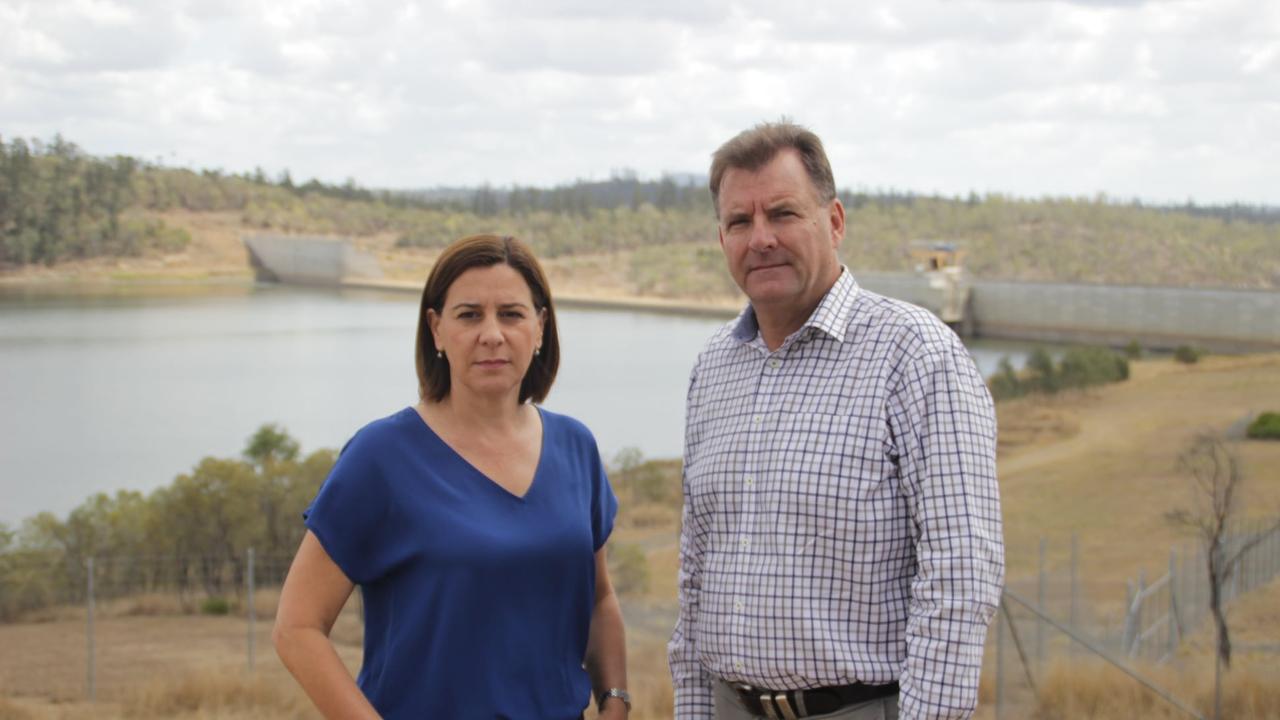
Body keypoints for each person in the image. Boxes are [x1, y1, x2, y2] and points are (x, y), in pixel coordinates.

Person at [668, 121, 1004, 719]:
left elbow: (960, 577)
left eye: (783, 213)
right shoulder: (714, 367)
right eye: (739, 222)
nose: (761, 238)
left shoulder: (917, 355)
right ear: (722, 238)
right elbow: (695, 575)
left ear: (835, 221)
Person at [274, 234, 630, 719]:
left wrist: (615, 700)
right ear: (436, 329)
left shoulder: (575, 446)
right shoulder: (381, 457)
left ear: (541, 327)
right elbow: (297, 628)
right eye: (469, 315)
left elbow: (598, 600)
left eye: (511, 313)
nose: (492, 334)